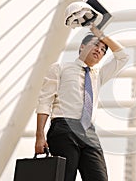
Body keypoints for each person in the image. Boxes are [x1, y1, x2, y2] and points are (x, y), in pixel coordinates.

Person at [35, 23, 129, 181]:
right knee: (64, 177)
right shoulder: (60, 68)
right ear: (82, 47)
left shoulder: (99, 75)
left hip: (89, 133)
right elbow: (44, 101)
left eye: (103, 50)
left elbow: (123, 56)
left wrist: (101, 35)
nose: (99, 50)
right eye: (96, 45)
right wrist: (40, 135)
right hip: (64, 128)